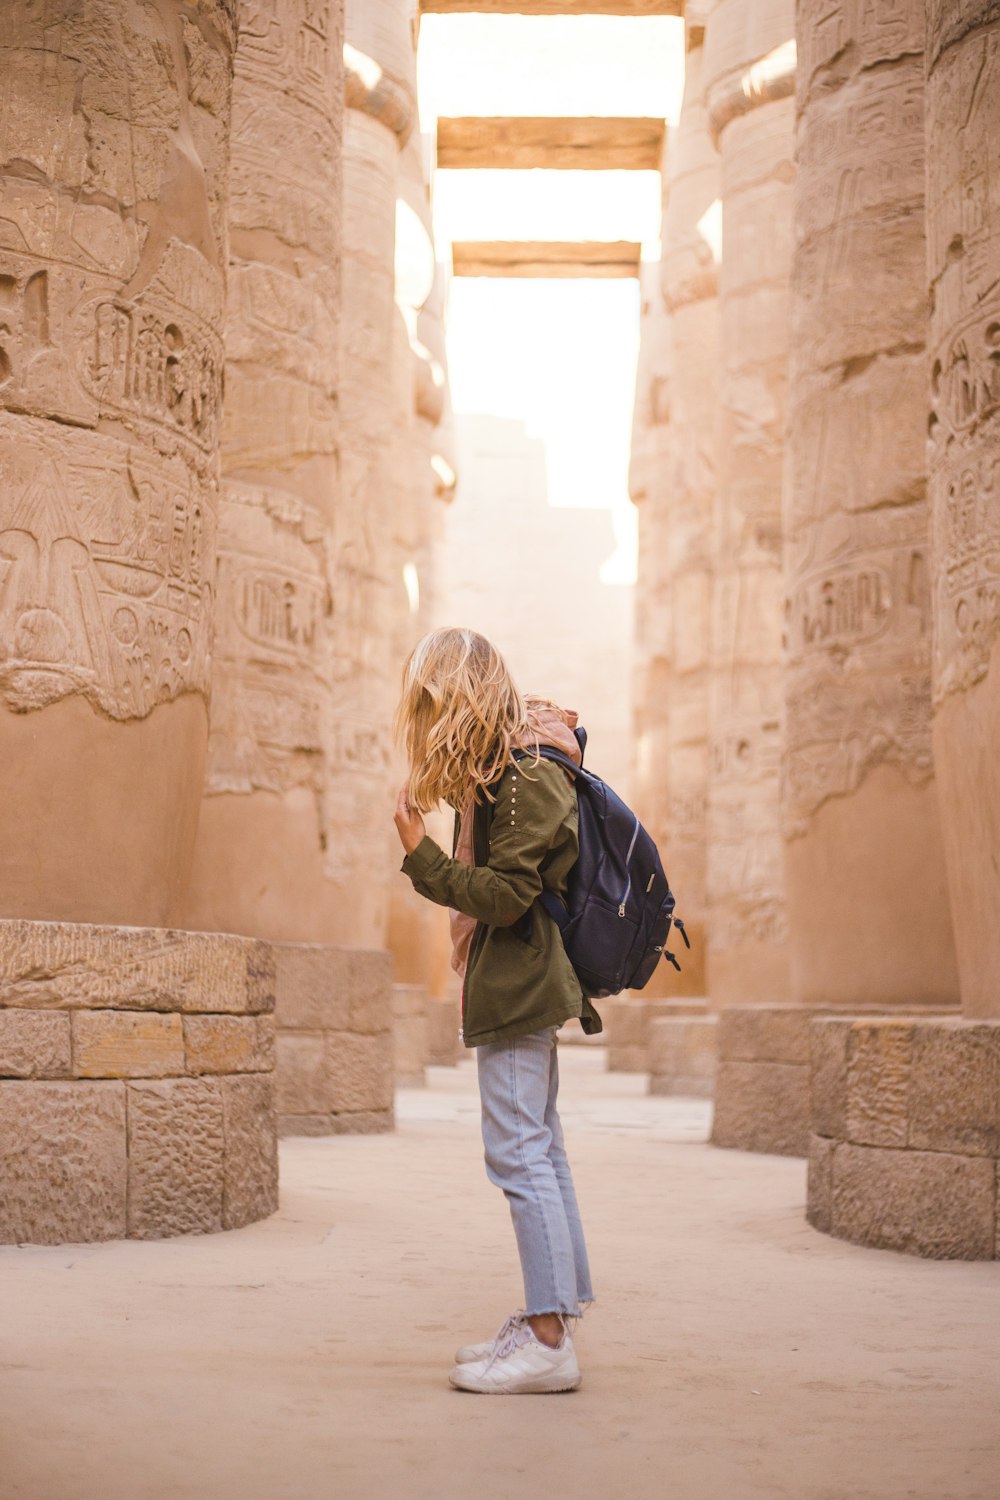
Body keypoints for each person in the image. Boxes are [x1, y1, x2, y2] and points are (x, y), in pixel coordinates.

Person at [392, 626, 603, 1395]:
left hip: (520, 984)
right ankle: (553, 1316)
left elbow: (511, 898)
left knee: (518, 1153)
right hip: (521, 981)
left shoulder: (523, 773)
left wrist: (423, 856)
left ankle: (548, 1341)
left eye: (432, 705)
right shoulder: (513, 768)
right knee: (538, 1149)